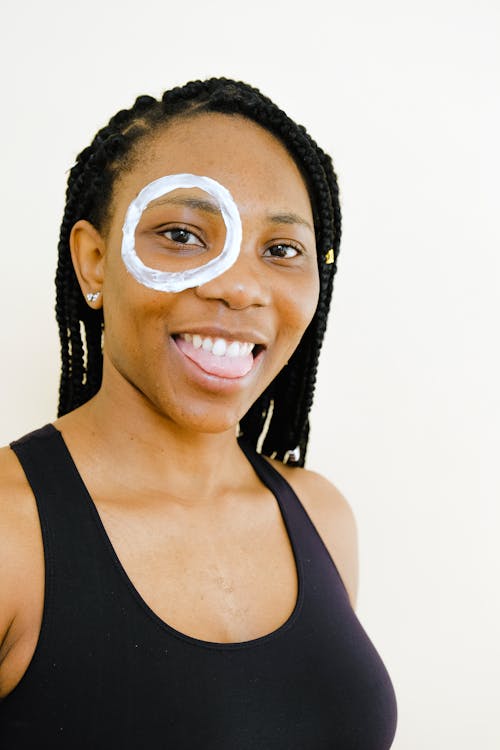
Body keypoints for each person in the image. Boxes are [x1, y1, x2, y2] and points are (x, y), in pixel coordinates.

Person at [0, 78, 397, 748]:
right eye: (182, 234)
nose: (240, 286)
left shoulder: (321, 518)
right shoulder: (12, 534)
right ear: (94, 262)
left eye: (281, 250)